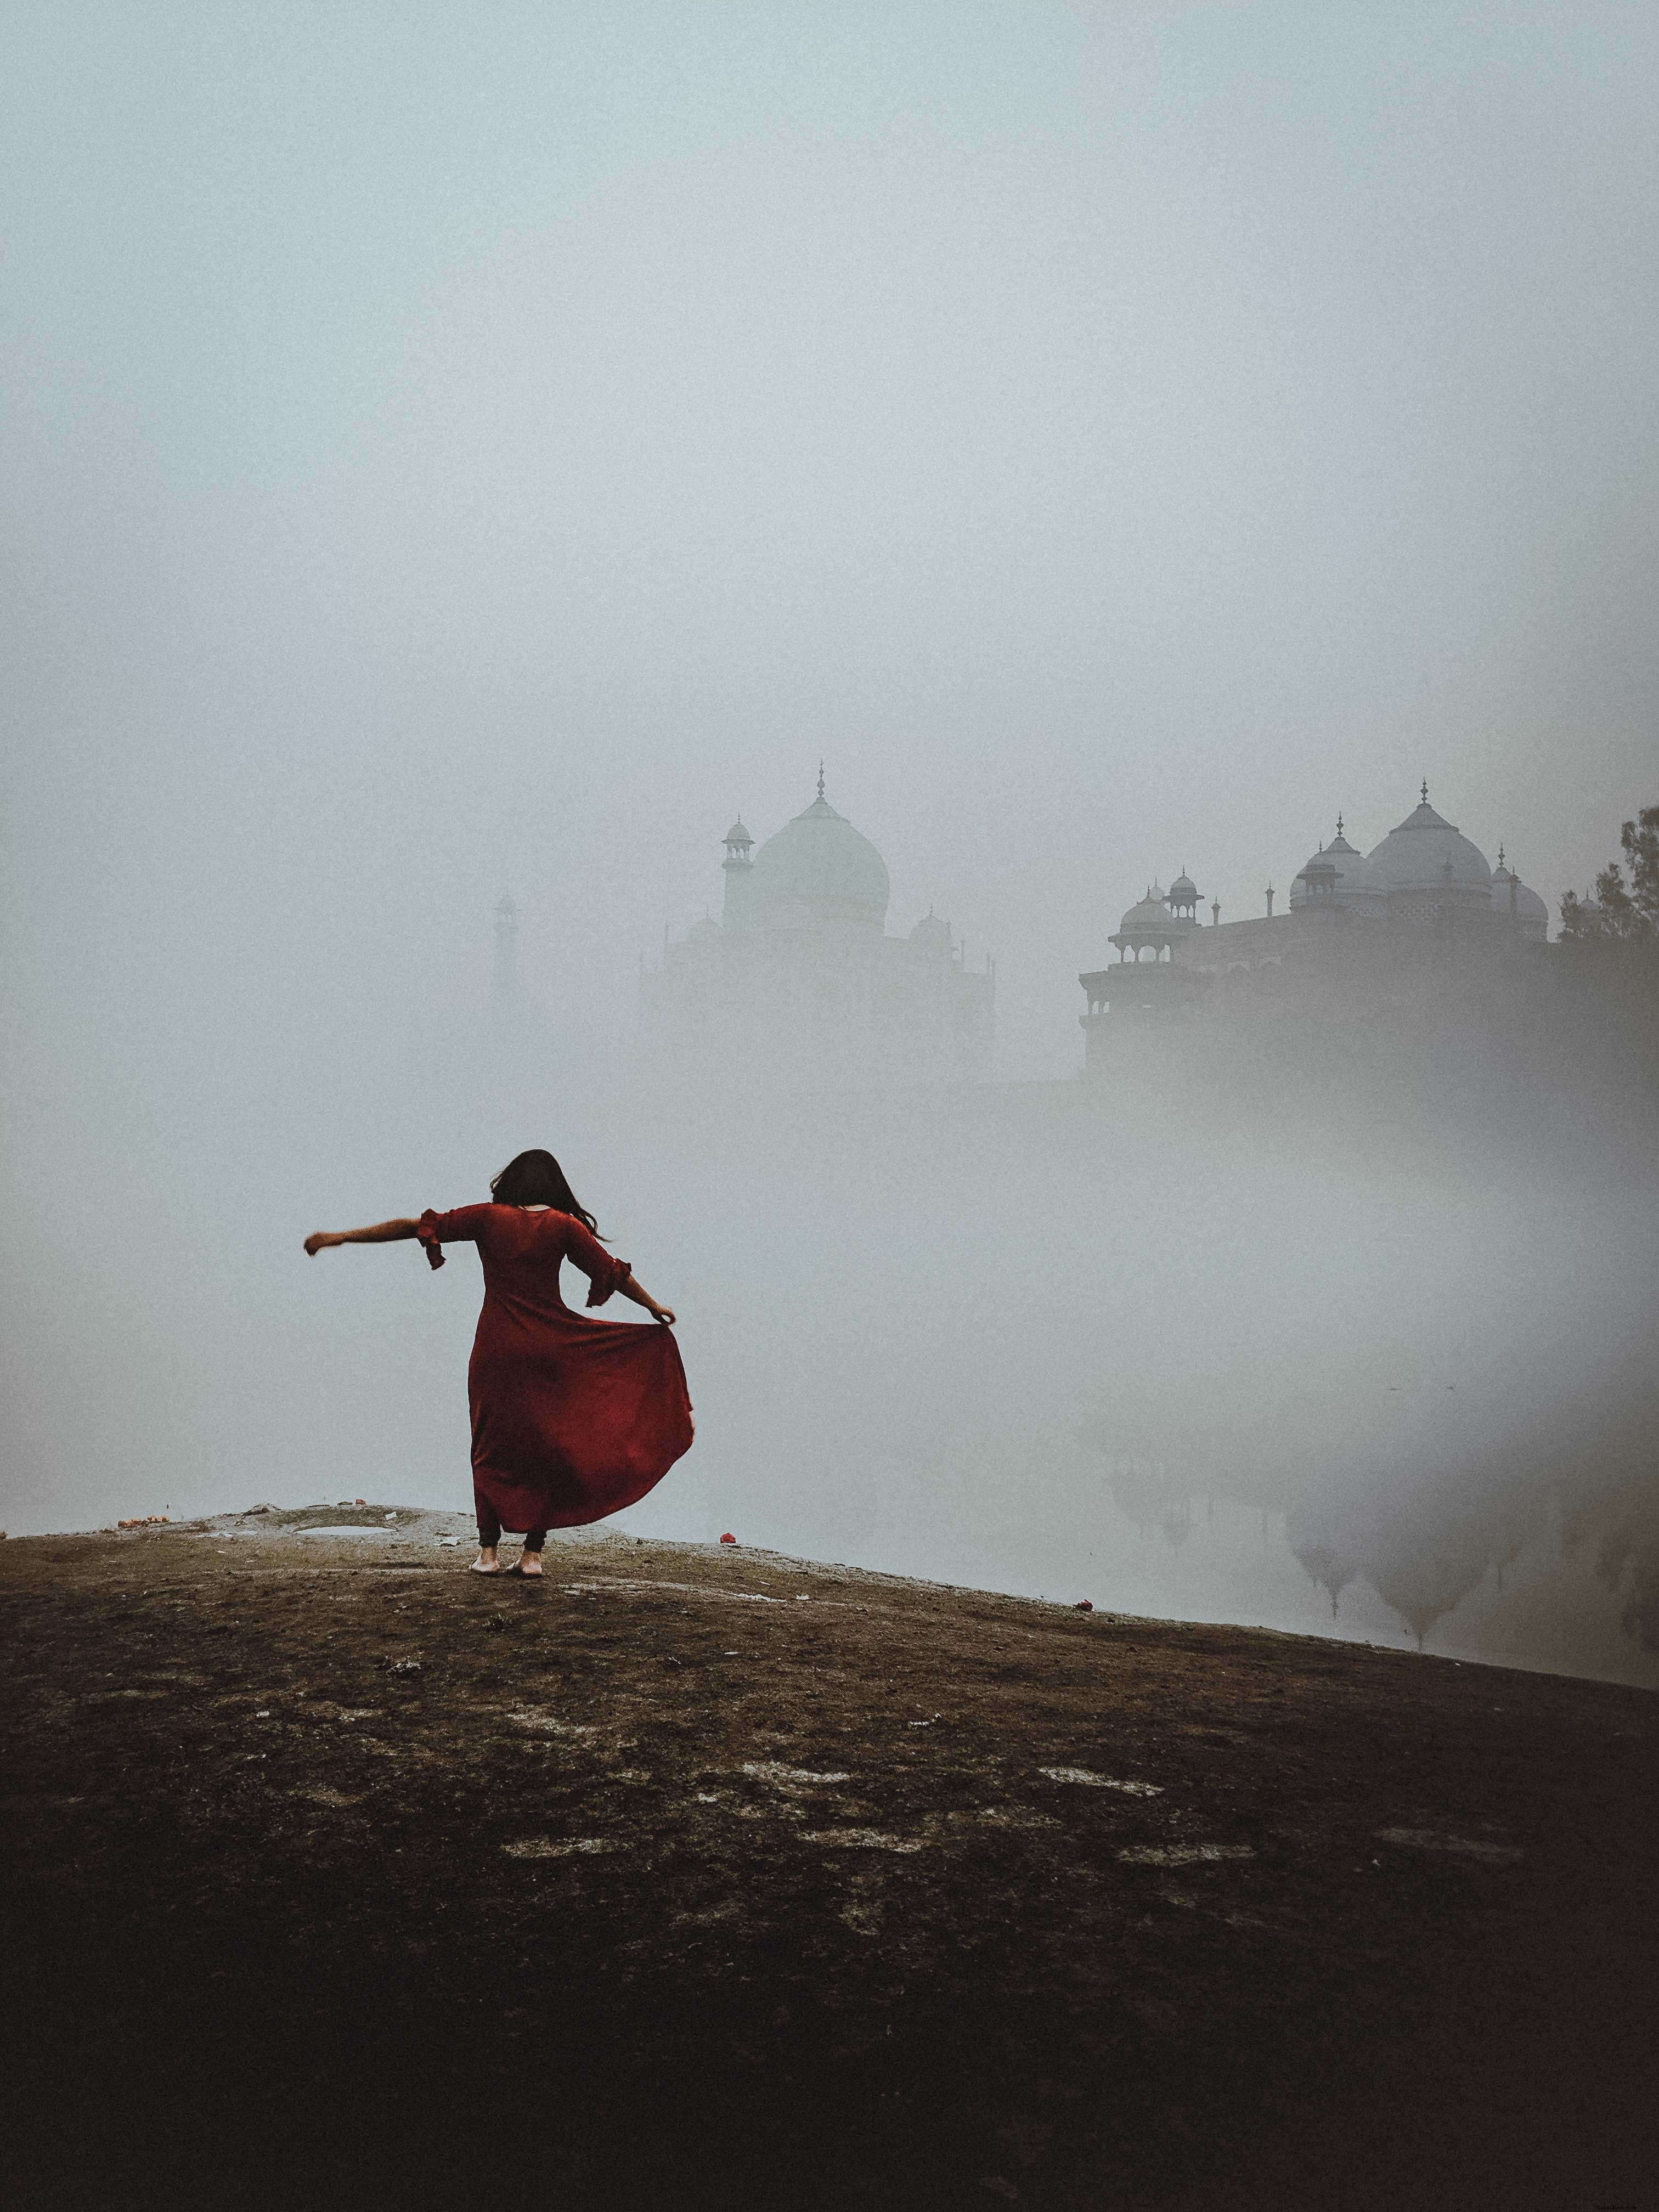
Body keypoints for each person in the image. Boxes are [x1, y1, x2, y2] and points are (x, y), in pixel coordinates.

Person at [304, 1149, 692, 1576]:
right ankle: (532, 1557)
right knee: (546, 1446)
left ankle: (488, 1554)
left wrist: (340, 1236)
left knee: (489, 1444)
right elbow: (613, 1273)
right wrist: (654, 1306)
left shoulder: (489, 1219)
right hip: (550, 1348)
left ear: (512, 1182)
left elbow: (413, 1226)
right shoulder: (566, 1227)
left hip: (498, 1346)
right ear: (554, 1186)